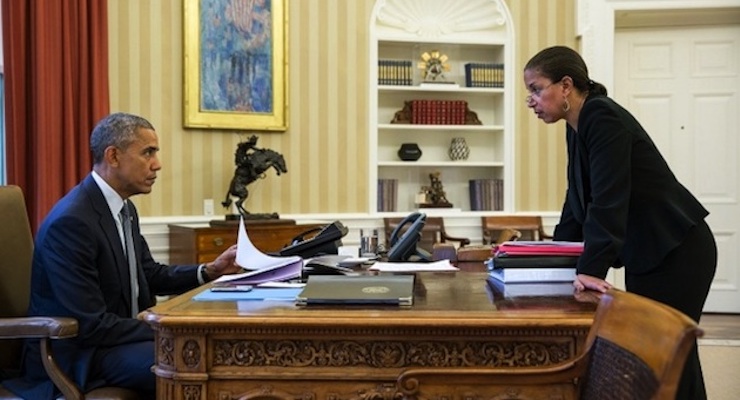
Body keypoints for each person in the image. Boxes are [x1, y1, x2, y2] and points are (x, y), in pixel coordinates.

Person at [3, 113, 243, 399]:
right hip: (80, 356)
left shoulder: (124, 209)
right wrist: (164, 324)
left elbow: (148, 275)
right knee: (194, 358)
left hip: (116, 344)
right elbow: (90, 326)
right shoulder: (72, 222)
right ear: (113, 156)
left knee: (210, 352)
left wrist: (210, 271)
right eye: (148, 153)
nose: (158, 164)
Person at [523, 46, 717, 400]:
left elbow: (610, 199)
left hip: (677, 249)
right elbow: (577, 200)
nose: (530, 101)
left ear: (566, 86)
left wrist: (591, 269)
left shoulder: (601, 116)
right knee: (665, 358)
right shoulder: (577, 125)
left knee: (668, 355)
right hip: (651, 251)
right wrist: (558, 258)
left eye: (536, 89)